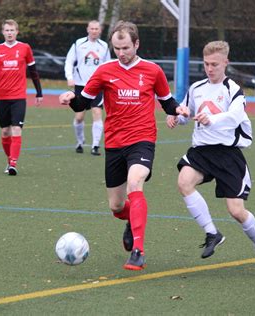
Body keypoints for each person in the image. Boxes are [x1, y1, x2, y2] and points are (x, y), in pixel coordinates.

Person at [60, 21, 188, 270]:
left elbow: (167, 101)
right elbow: (84, 102)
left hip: (142, 139)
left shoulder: (153, 71)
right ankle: (132, 219)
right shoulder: (105, 71)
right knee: (117, 206)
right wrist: (70, 99)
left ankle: (138, 251)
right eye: (117, 48)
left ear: (137, 44)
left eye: (126, 47)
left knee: (135, 182)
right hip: (115, 143)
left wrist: (178, 109)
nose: (121, 52)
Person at [166, 40, 255, 274]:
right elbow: (187, 113)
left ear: (226, 62)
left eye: (215, 64)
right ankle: (212, 233)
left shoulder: (233, 89)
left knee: (236, 211)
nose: (210, 68)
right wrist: (177, 116)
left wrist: (211, 119)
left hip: (227, 155)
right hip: (202, 152)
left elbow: (235, 116)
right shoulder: (196, 88)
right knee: (184, 182)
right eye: (206, 64)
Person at [0, 19, 43, 176]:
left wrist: (39, 92)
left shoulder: (25, 48)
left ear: (17, 32)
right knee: (5, 131)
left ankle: (13, 164)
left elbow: (34, 72)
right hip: (1, 97)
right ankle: (9, 159)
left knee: (16, 129)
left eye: (12, 30)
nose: (9, 33)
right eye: (7, 30)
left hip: (18, 97)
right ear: (3, 32)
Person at [64, 20, 111, 155]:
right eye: (92, 28)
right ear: (87, 29)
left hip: (97, 86)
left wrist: (108, 82)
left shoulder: (104, 46)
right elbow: (69, 60)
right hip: (80, 85)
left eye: (97, 28)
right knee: (79, 117)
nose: (94, 31)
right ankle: (80, 141)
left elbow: (107, 65)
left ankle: (95, 146)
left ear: (100, 30)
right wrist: (69, 77)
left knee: (97, 113)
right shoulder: (78, 44)